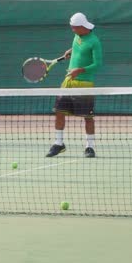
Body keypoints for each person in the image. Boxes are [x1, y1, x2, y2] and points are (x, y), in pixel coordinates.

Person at [46, 12, 103, 158]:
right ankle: (59, 143)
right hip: (68, 81)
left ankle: (89, 147)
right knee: (59, 112)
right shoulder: (77, 36)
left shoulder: (94, 41)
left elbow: (98, 64)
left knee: (87, 116)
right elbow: (79, 47)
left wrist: (80, 70)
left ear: (82, 27)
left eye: (74, 27)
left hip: (84, 83)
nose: (72, 30)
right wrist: (71, 51)